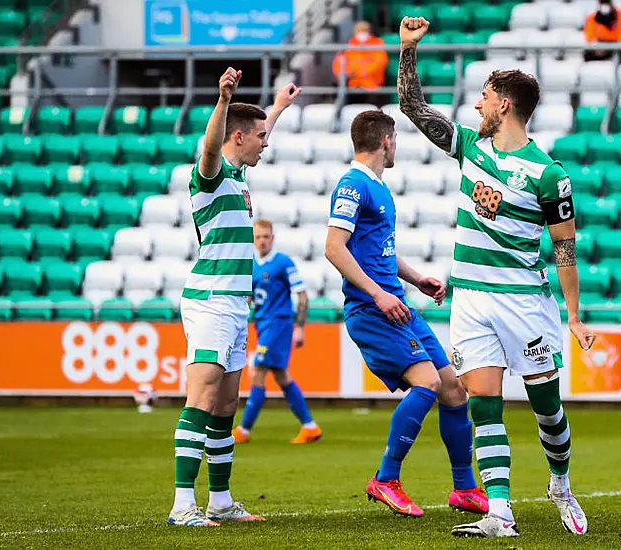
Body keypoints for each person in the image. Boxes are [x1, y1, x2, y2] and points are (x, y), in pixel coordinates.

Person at [398, 16, 596, 538]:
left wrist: (574, 316)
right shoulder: (470, 146)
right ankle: (499, 512)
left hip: (526, 304)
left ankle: (561, 484)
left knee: (546, 408)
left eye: (485, 97)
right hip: (472, 303)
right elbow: (413, 109)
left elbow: (566, 249)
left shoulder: (549, 174)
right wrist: (407, 51)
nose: (477, 106)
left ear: (504, 104)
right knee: (483, 405)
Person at [324, 110, 488, 518]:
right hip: (373, 308)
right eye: (395, 139)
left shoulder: (378, 187)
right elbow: (334, 248)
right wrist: (379, 295)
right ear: (386, 140)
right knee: (428, 383)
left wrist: (416, 280)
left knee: (453, 388)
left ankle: (464, 488)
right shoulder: (353, 185)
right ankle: (386, 478)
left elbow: (379, 252)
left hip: (398, 303)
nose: (396, 146)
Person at [168, 68, 299, 527]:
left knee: (225, 406)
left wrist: (278, 107)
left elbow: (255, 132)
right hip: (210, 300)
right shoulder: (211, 176)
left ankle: (219, 501)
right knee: (200, 399)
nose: (267, 142)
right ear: (237, 136)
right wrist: (222, 99)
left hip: (233, 304)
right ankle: (183, 505)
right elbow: (209, 148)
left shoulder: (240, 175)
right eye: (260, 136)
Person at [232, 219, 323, 445]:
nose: (262, 241)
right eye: (258, 237)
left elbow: (301, 294)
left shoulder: (283, 263)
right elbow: (249, 297)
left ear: (272, 238)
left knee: (259, 369)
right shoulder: (250, 264)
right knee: (282, 376)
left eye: (266, 236)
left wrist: (299, 327)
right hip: (262, 324)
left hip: (279, 324)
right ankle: (310, 426)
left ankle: (243, 430)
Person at [333, 21, 389, 106]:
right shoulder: (350, 44)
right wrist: (347, 73)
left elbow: (380, 62)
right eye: (359, 30)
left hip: (371, 84)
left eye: (364, 30)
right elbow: (338, 63)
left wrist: (359, 72)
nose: (362, 33)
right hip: (352, 84)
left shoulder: (377, 43)